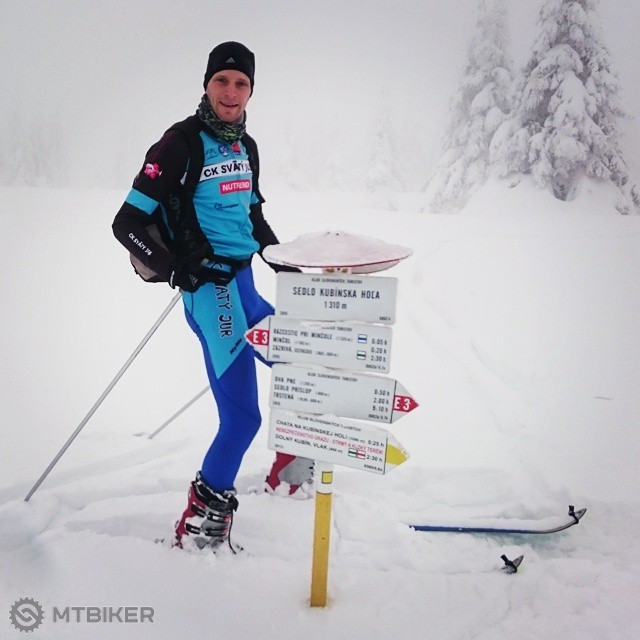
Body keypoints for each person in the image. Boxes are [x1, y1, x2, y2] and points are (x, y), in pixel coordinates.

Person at [112, 41, 313, 552]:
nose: (230, 91)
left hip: (244, 286)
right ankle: (201, 527)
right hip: (211, 293)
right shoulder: (179, 143)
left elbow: (252, 214)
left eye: (241, 83)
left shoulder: (246, 146)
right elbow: (126, 222)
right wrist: (175, 268)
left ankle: (290, 469)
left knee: (301, 358)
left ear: (251, 91)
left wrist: (283, 256)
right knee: (242, 417)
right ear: (206, 84)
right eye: (222, 80)